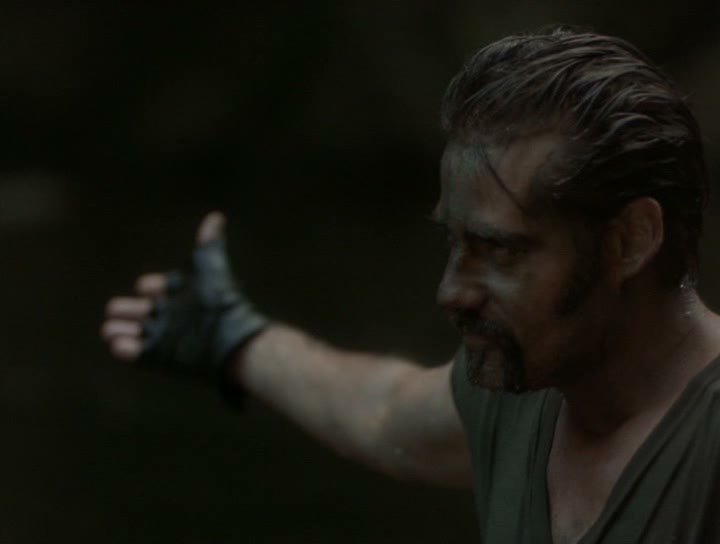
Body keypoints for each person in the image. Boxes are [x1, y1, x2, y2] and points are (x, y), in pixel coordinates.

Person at [100, 27, 720, 543]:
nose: (452, 293)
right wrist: (234, 337)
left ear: (630, 240)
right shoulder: (527, 386)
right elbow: (386, 414)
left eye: (500, 250)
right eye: (455, 243)